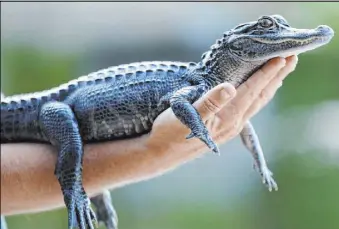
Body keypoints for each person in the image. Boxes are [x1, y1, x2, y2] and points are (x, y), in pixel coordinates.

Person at [1, 56, 297, 216]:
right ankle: (77, 192)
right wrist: (155, 154)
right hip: (57, 111)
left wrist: (261, 162)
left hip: (64, 115)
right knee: (71, 141)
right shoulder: (196, 84)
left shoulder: (201, 80)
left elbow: (245, 126)